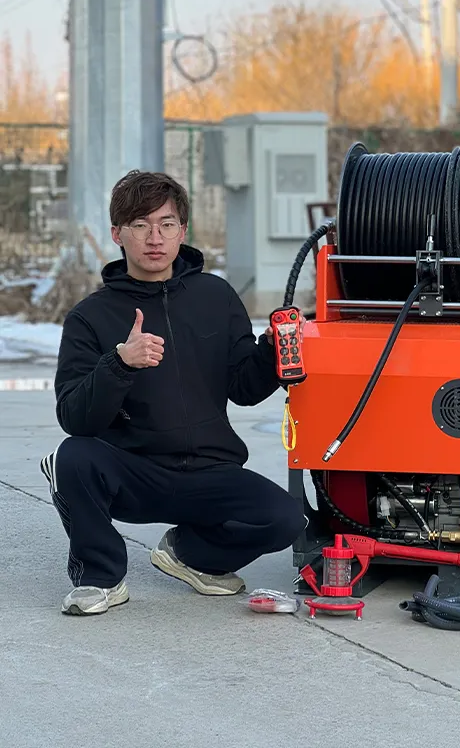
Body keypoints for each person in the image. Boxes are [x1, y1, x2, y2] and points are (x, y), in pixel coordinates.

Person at [39, 169, 307, 616]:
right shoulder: (90, 317)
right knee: (74, 456)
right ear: (117, 234)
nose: (154, 238)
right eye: (140, 225)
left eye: (165, 224)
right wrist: (119, 363)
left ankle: (191, 556)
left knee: (284, 519)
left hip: (208, 469)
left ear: (183, 231)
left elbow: (243, 388)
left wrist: (272, 351)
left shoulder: (216, 296)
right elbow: (75, 416)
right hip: (134, 473)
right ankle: (101, 579)